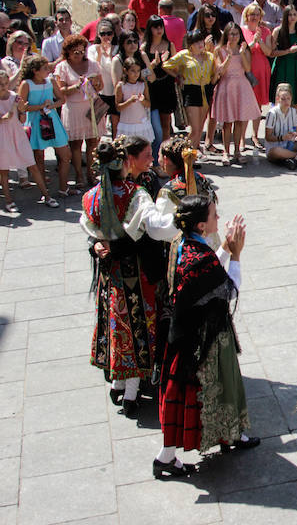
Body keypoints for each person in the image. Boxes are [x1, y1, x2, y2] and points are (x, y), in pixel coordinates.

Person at [155, 195, 259, 478]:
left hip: (190, 333)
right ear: (201, 225)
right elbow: (228, 290)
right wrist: (236, 254)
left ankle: (231, 435)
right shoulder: (199, 259)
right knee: (207, 389)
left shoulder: (183, 243)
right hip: (203, 340)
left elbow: (211, 272)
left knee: (216, 387)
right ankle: (165, 457)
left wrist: (225, 246)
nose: (218, 218)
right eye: (214, 215)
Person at [81, 137, 175, 417]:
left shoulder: (91, 196)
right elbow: (153, 228)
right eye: (147, 154)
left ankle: (119, 382)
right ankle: (131, 392)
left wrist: (100, 243)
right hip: (136, 270)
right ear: (125, 161)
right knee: (137, 327)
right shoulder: (136, 194)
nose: (151, 158)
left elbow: (90, 226)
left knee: (117, 323)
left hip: (111, 273)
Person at [19, 55, 75, 197]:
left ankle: (64, 188)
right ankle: (45, 192)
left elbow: (61, 99)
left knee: (65, 154)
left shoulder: (51, 81)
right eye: (45, 68)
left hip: (52, 120)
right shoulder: (26, 84)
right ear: (35, 71)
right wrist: (40, 107)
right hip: (35, 122)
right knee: (39, 156)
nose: (48, 70)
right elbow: (22, 108)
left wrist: (51, 105)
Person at [0, 70, 57, 210]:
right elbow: (5, 118)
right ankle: (8, 201)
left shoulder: (14, 96)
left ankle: (47, 196)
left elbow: (22, 119)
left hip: (17, 134)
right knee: (4, 170)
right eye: (1, 84)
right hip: (2, 136)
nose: (4, 86)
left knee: (32, 165)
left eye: (6, 83)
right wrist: (6, 115)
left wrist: (21, 110)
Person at [52, 34, 102, 188]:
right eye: (76, 52)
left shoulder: (93, 64)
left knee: (93, 142)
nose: (80, 55)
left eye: (82, 52)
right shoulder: (62, 67)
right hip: (73, 108)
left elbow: (101, 86)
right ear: (68, 52)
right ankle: (79, 175)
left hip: (92, 106)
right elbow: (60, 91)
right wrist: (76, 86)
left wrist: (94, 82)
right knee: (76, 145)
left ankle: (91, 174)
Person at [210, 22, 260, 165]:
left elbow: (247, 68)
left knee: (240, 120)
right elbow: (220, 70)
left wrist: (243, 53)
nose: (234, 37)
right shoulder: (219, 49)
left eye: (236, 34)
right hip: (227, 85)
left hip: (241, 85)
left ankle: (237, 150)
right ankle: (226, 151)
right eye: (231, 34)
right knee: (227, 122)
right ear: (226, 35)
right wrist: (229, 57)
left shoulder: (244, 49)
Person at [162, 30, 216, 149]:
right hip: (191, 91)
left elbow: (213, 74)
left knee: (200, 127)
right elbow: (166, 65)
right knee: (195, 129)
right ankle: (182, 151)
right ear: (190, 44)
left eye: (201, 41)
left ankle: (193, 153)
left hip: (206, 90)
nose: (200, 44)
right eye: (196, 42)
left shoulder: (209, 55)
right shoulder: (184, 54)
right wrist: (178, 75)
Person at [143, 16, 177, 161]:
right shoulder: (144, 47)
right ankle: (152, 156)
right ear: (150, 29)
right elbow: (143, 71)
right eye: (156, 27)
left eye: (161, 27)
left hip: (166, 86)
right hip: (151, 88)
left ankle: (165, 157)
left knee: (165, 125)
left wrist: (164, 64)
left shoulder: (170, 45)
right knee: (152, 125)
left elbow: (176, 71)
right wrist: (154, 63)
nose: (159, 30)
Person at [240, 4, 274, 150]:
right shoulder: (241, 31)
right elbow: (242, 50)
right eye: (251, 14)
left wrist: (260, 40)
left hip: (262, 71)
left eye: (257, 14)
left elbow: (268, 52)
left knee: (257, 107)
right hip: (247, 71)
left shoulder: (265, 31)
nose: (254, 17)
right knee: (244, 106)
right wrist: (253, 42)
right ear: (246, 17)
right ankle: (241, 138)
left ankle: (254, 135)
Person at [270, 5, 297, 115]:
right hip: (282, 65)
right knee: (281, 98)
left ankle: (293, 124)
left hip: (296, 65)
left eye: (294, 14)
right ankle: (281, 125)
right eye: (290, 15)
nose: (292, 17)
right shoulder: (278, 31)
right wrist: (289, 51)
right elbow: (272, 53)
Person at [87, 19, 120, 137]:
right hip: (100, 92)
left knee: (116, 125)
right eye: (103, 34)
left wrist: (110, 54)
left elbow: (116, 68)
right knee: (97, 126)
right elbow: (93, 69)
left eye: (109, 33)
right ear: (98, 35)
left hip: (114, 92)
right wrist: (101, 53)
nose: (106, 36)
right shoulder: (92, 49)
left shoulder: (118, 49)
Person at [115, 58, 153, 143]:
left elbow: (148, 104)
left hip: (141, 124)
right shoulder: (121, 86)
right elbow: (118, 107)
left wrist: (142, 100)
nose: (136, 74)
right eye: (133, 71)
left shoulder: (142, 84)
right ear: (125, 71)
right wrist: (129, 101)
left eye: (138, 71)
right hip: (127, 124)